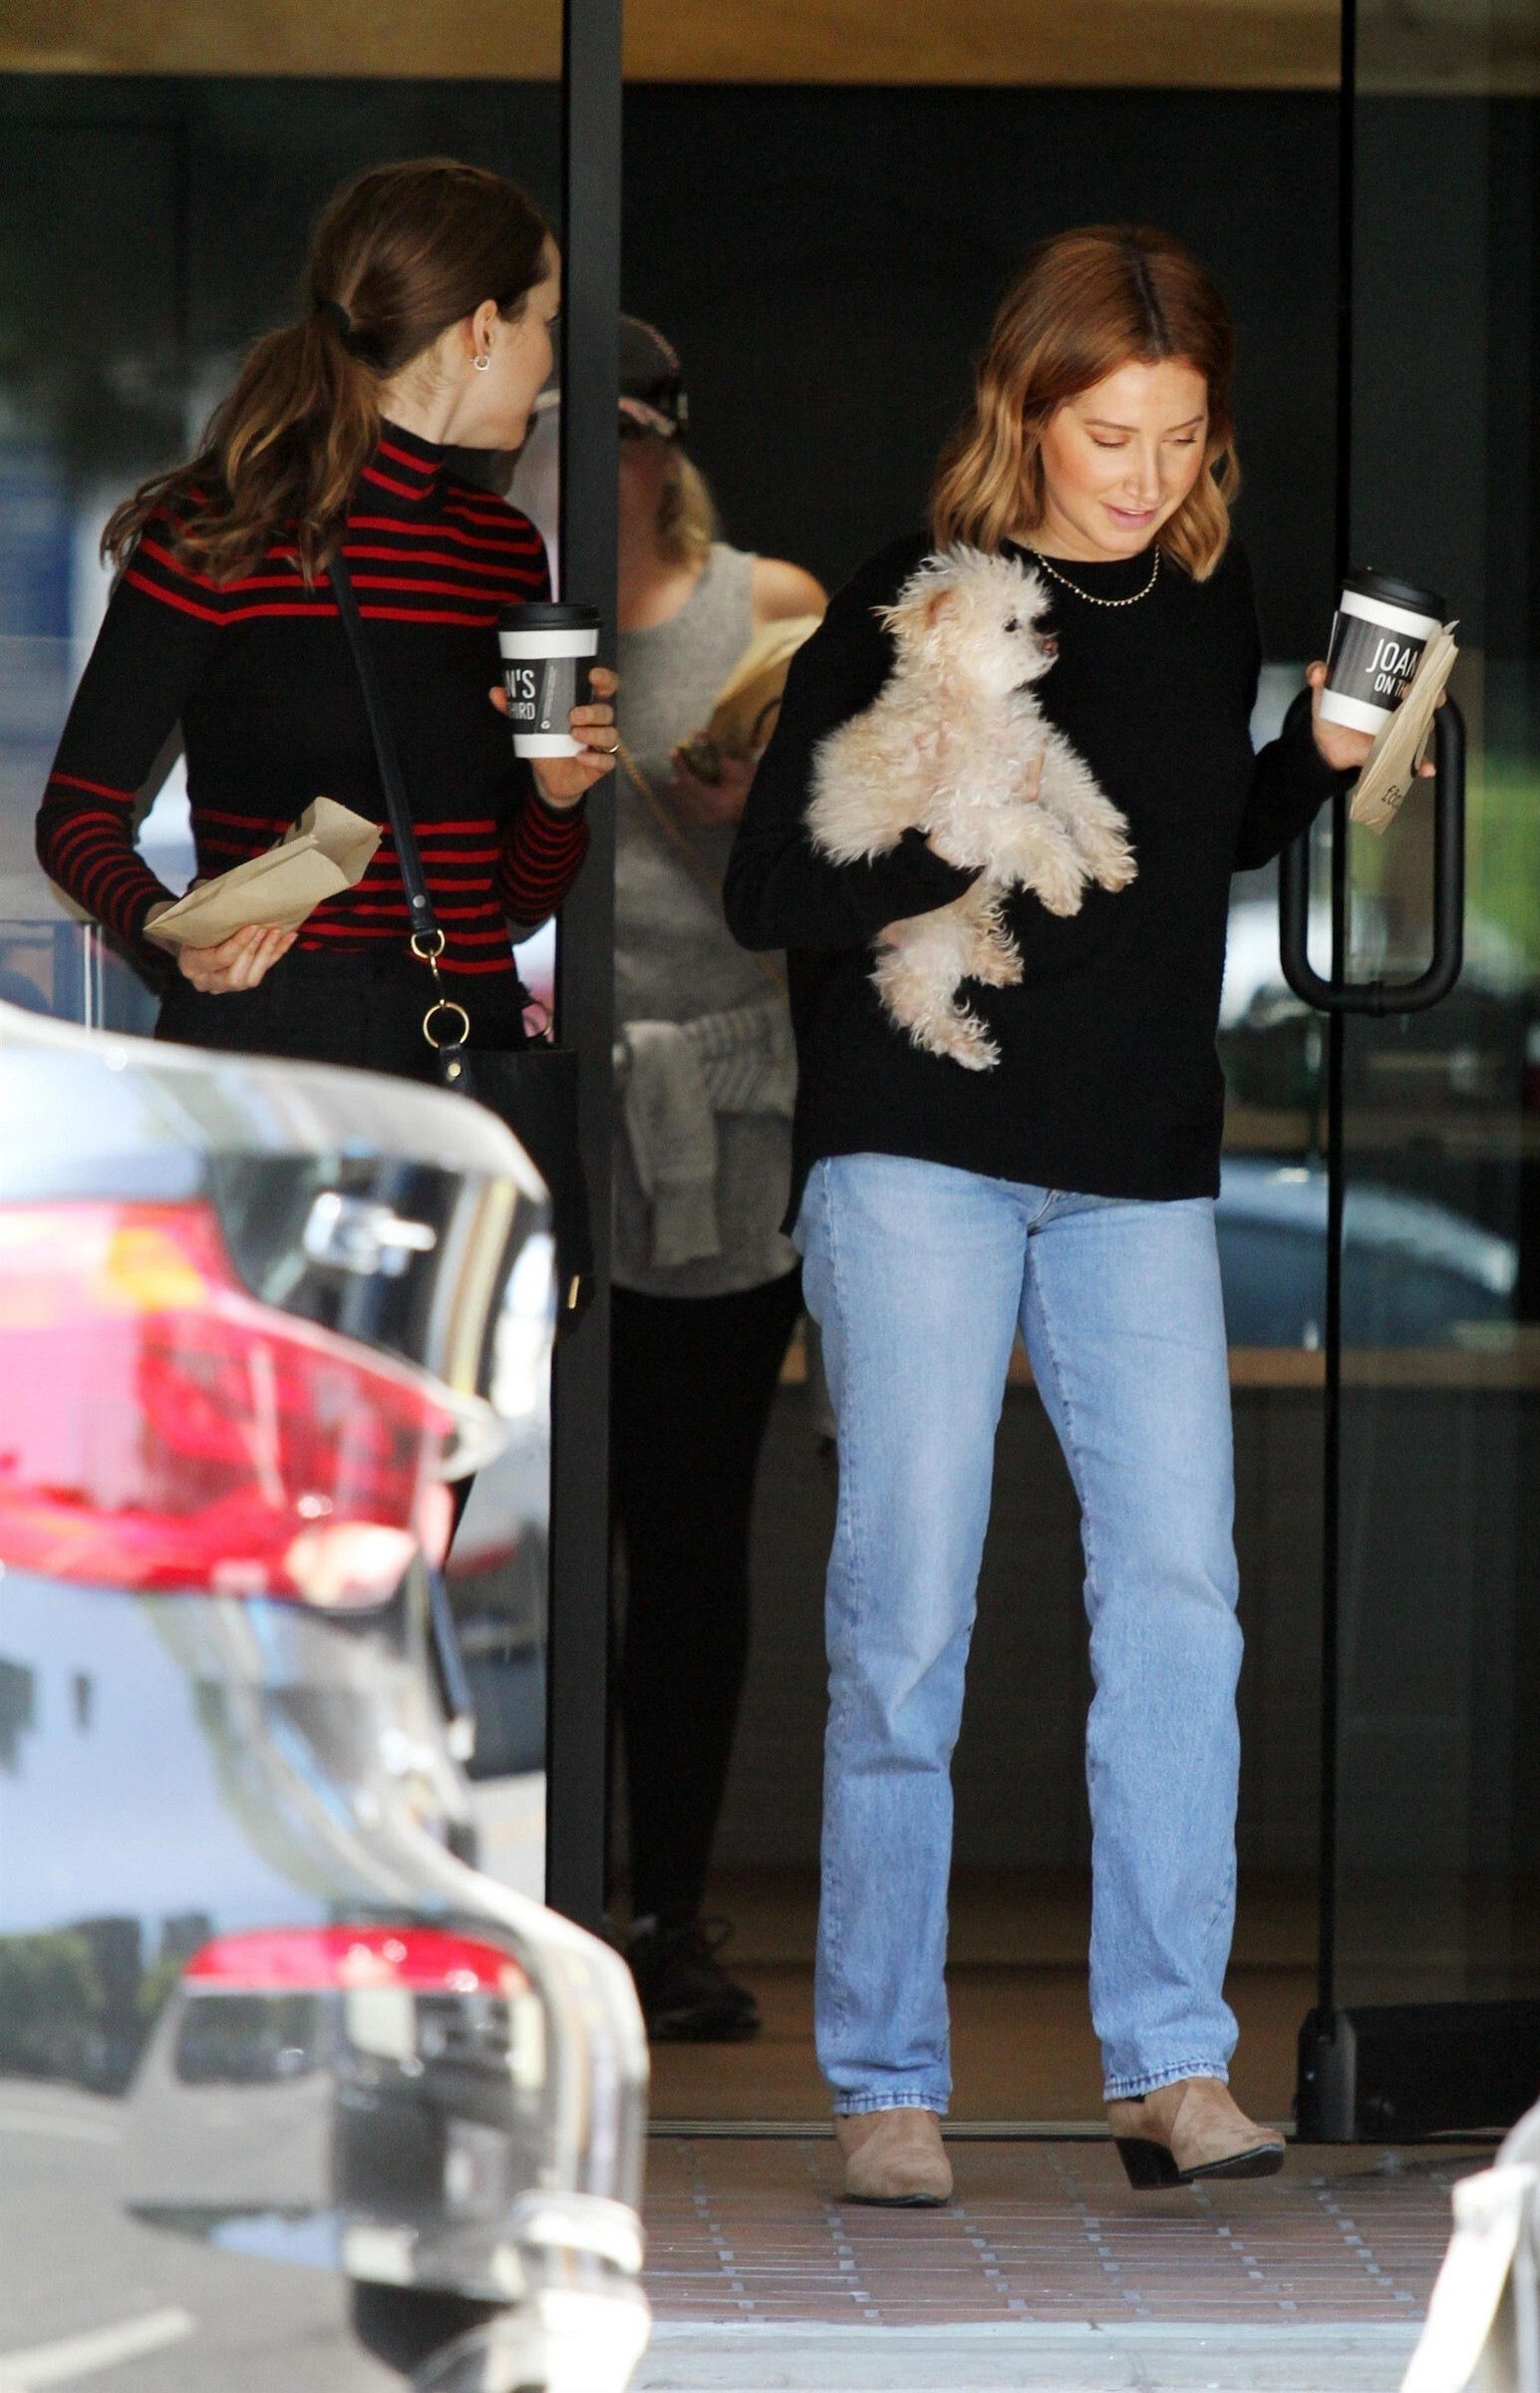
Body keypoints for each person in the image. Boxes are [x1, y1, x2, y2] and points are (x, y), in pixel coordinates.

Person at [726, 226, 1395, 2204]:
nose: (1147, 476)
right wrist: (957, 830)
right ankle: (885, 2083)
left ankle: (1169, 2067)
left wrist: (1310, 764)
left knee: (1182, 1600)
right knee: (905, 1617)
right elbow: (772, 889)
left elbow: (1191, 844)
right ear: (1022, 413)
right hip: (917, 1148)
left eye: (1181, 438)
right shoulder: (912, 600)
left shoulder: (1203, 596)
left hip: (1136, 1167)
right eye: (1110, 436)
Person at [37, 157, 616, 1083]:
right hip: (274, 1044)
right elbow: (78, 813)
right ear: (482, 328)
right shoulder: (219, 532)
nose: (549, 359)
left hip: (465, 1032)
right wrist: (171, 934)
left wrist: (556, 797)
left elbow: (513, 902)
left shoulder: (503, 549)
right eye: (542, 324)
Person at [607, 317, 826, 2041]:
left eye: (621, 436)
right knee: (516, 1540)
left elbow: (862, 856)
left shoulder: (769, 611)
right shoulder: (473, 612)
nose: (593, 470)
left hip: (727, 1116)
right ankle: (523, 1898)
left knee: (689, 1540)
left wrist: (738, 812)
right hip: (544, 1108)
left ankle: (666, 1912)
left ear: (667, 443)